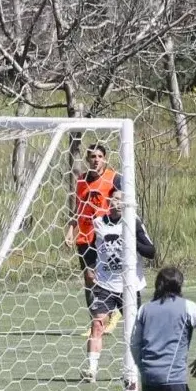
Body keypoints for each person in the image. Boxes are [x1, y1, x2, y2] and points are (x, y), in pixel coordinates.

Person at [80, 190, 156, 383]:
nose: (118, 203)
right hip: (105, 283)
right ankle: (91, 370)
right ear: (109, 202)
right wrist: (89, 267)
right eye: (115, 199)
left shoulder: (134, 223)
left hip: (129, 285)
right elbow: (89, 249)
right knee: (97, 323)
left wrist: (132, 239)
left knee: (133, 330)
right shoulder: (99, 223)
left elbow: (151, 251)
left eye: (122, 200)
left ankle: (131, 369)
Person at [64, 143, 124, 335]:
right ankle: (96, 323)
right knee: (89, 278)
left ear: (105, 159)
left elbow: (121, 203)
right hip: (85, 235)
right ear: (87, 159)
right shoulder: (81, 181)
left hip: (105, 236)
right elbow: (77, 209)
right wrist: (70, 230)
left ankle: (109, 315)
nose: (96, 160)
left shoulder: (114, 178)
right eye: (92, 156)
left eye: (99, 156)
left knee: (104, 276)